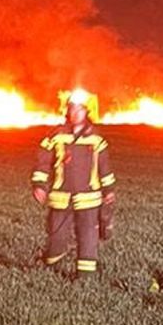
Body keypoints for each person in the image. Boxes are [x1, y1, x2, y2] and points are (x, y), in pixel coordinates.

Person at [31, 89, 116, 278]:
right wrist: (39, 184)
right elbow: (42, 161)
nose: (76, 113)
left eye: (80, 109)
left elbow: (104, 166)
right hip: (60, 197)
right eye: (72, 108)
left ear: (87, 112)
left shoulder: (96, 139)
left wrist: (108, 190)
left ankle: (85, 277)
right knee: (56, 236)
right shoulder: (56, 136)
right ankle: (50, 266)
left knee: (88, 236)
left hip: (89, 197)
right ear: (67, 110)